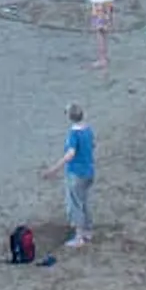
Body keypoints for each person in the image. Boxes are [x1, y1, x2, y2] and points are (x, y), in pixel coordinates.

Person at [44, 102, 96, 246]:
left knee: (75, 204)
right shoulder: (88, 130)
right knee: (84, 202)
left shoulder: (73, 134)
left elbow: (70, 154)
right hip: (89, 171)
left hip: (76, 174)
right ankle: (88, 231)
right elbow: (92, 145)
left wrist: (54, 169)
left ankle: (79, 237)